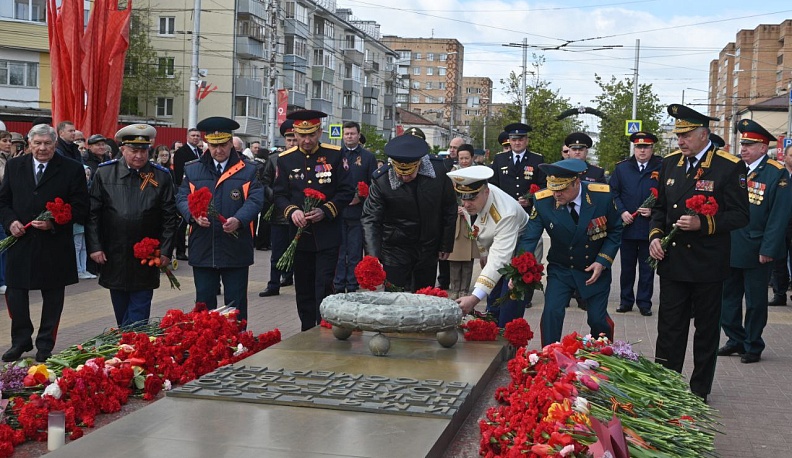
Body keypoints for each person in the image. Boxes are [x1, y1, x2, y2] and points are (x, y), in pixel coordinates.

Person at [649, 104, 749, 403]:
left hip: (708, 263)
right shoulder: (669, 164)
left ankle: (699, 389)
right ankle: (666, 386)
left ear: (704, 134)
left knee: (706, 332)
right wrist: (655, 237)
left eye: (686, 135)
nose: (680, 141)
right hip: (674, 262)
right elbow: (659, 209)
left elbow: (741, 215)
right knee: (669, 329)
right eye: (678, 135)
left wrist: (703, 223)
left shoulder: (728, 166)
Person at [0, 123, 90, 362]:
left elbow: (81, 207)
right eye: (37, 143)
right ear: (29, 144)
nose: (42, 148)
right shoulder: (14, 166)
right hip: (21, 242)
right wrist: (11, 223)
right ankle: (20, 341)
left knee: (53, 298)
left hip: (54, 245)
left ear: (55, 144)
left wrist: (54, 224)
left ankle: (45, 344)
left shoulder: (72, 169)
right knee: (15, 294)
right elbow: (3, 202)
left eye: (47, 143)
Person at [516, 159, 621, 346]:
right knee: (551, 312)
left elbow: (615, 230)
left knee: (597, 319)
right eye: (553, 188)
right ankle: (550, 357)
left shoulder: (601, 196)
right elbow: (530, 238)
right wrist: (518, 270)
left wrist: (603, 261)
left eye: (562, 189)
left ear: (576, 182)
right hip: (562, 267)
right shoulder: (543, 201)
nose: (556, 194)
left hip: (593, 267)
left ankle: (604, 358)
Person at [86, 125, 178, 326]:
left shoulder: (160, 176)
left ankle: (133, 343)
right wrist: (95, 247)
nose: (139, 156)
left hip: (147, 255)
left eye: (143, 151)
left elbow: (170, 217)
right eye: (134, 150)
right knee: (120, 305)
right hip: (114, 252)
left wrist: (165, 250)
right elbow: (93, 214)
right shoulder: (105, 173)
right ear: (123, 149)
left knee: (139, 308)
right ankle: (128, 344)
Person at [176, 117, 263, 323]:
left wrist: (239, 219)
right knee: (204, 304)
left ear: (231, 142)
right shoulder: (192, 168)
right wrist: (193, 216)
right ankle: (206, 347)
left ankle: (238, 346)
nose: (218, 150)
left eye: (223, 144)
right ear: (207, 144)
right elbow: (181, 198)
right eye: (213, 145)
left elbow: (256, 199)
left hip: (235, 247)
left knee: (235, 305)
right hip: (203, 246)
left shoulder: (248, 169)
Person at [273, 110, 354, 330]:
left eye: (311, 134)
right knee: (304, 287)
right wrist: (292, 211)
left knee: (325, 285)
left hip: (327, 234)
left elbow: (346, 191)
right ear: (295, 134)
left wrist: (326, 211)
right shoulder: (285, 160)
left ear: (319, 132)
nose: (307, 140)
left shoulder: (335, 155)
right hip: (299, 236)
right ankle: (307, 328)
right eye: (302, 135)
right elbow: (279, 194)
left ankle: (325, 326)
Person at [718, 120, 791, 364]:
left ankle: (752, 344)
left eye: (750, 144)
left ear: (763, 147)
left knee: (756, 301)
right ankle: (735, 338)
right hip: (730, 245)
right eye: (743, 144)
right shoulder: (735, 169)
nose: (744, 148)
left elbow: (779, 217)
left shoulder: (776, 173)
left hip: (758, 248)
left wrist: (769, 249)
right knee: (728, 297)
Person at [362, 134, 456, 292]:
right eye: (399, 173)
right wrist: (373, 256)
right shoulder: (382, 180)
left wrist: (445, 244)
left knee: (424, 298)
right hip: (395, 248)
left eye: (409, 173)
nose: (404, 177)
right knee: (394, 298)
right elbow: (370, 219)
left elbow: (449, 209)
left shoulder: (438, 172)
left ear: (419, 165)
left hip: (428, 246)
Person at [451, 166, 528, 322]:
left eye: (471, 198)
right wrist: (484, 252)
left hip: (521, 248)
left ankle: (508, 340)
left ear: (486, 192)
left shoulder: (506, 214)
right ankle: (491, 328)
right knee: (493, 300)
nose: (466, 204)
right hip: (498, 244)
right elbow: (478, 229)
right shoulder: (477, 195)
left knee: (509, 302)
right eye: (462, 198)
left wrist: (474, 298)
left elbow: (499, 259)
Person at [488, 122, 546, 310]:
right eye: (514, 139)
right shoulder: (500, 159)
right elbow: (492, 187)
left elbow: (544, 188)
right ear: (509, 141)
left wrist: (531, 200)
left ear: (526, 140)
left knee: (525, 256)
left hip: (528, 217)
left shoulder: (537, 160)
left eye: (521, 139)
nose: (517, 142)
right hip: (505, 218)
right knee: (504, 255)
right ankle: (500, 293)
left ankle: (523, 294)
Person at [609, 131, 662, 316]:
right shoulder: (622, 168)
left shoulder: (662, 167)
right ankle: (626, 301)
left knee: (647, 268)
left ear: (652, 148)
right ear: (634, 148)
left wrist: (654, 211)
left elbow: (668, 195)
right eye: (639, 147)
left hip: (650, 228)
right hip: (628, 226)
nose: (642, 150)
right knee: (627, 268)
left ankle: (644, 303)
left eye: (646, 147)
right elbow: (613, 193)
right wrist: (622, 212)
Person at [334, 121, 377, 293]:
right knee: (338, 250)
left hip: (358, 212)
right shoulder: (336, 155)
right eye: (346, 134)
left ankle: (352, 283)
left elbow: (373, 184)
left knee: (354, 251)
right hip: (338, 211)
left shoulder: (368, 157)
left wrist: (360, 197)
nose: (349, 136)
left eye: (352, 133)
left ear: (359, 135)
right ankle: (338, 283)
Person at [259, 120, 297, 298]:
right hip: (279, 213)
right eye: (289, 139)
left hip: (299, 213)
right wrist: (274, 196)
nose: (292, 143)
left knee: (297, 249)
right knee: (277, 251)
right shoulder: (274, 159)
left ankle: (289, 276)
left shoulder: (304, 160)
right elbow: (264, 182)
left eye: (294, 139)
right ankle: (273, 283)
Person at [447, 145, 480, 299]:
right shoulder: (452, 174)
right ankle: (454, 288)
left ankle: (464, 289)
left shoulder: (478, 174)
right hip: (455, 219)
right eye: (461, 158)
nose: (464, 161)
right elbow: (446, 196)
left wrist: (467, 208)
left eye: (467, 158)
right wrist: (456, 208)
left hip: (472, 218)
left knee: (468, 258)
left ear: (472, 158)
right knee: (454, 257)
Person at [172, 128, 204, 260]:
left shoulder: (200, 152)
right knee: (183, 221)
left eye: (198, 136)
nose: (195, 138)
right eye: (193, 135)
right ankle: (180, 250)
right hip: (185, 188)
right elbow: (179, 173)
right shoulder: (181, 152)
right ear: (187, 137)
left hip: (198, 189)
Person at [438, 136, 465, 290]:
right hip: (445, 209)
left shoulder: (466, 166)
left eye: (456, 147)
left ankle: (458, 282)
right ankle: (443, 280)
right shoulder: (443, 164)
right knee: (443, 243)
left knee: (459, 249)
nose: (452, 150)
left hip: (461, 210)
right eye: (451, 147)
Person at [770, 143, 792, 306]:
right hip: (780, 223)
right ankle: (779, 293)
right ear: (785, 157)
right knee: (779, 259)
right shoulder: (778, 174)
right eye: (791, 155)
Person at [74, 165, 96, 280]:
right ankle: (78, 269)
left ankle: (84, 268)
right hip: (77, 222)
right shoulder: (77, 188)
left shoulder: (91, 187)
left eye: (88, 174)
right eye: (85, 174)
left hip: (85, 221)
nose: (87, 177)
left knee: (84, 246)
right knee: (77, 246)